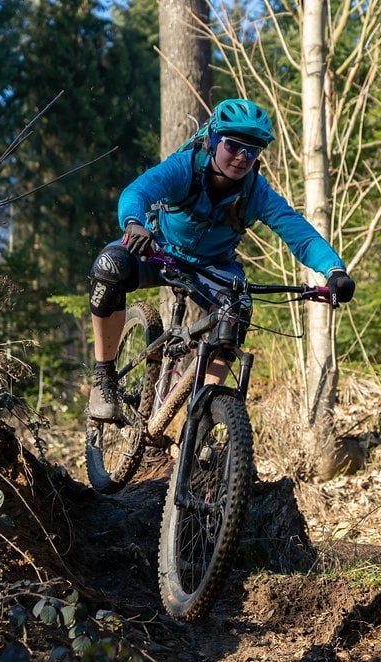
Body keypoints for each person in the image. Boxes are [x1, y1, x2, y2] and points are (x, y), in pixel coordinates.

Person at [87, 98, 355, 420]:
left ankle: (203, 413)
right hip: (158, 250)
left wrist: (334, 270)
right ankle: (104, 377)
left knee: (238, 309)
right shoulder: (184, 167)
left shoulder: (257, 193)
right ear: (214, 139)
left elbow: (300, 234)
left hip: (212, 266)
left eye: (252, 151)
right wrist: (134, 224)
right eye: (233, 145)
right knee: (110, 266)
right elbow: (138, 192)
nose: (242, 157)